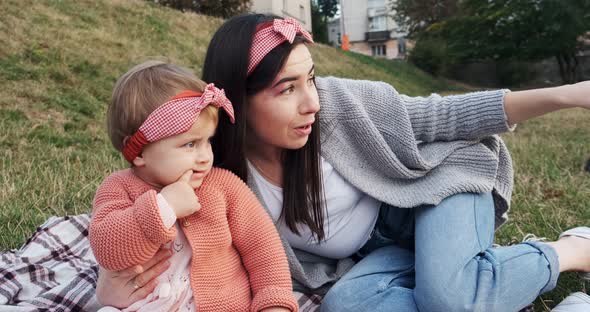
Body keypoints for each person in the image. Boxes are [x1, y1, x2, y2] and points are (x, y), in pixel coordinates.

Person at [95, 15, 590, 312]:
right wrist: (110, 282)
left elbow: (446, 115)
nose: (310, 102)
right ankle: (482, 278)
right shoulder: (217, 171)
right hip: (379, 252)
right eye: (287, 89)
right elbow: (150, 212)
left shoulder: (340, 105)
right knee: (346, 305)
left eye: (310, 78)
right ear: (239, 103)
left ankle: (570, 250)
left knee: (451, 299)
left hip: (438, 185)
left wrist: (567, 95)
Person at [89, 60, 298, 312]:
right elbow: (107, 250)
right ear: (139, 152)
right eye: (190, 144)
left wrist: (274, 303)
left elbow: (263, 248)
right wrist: (163, 207)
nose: (205, 156)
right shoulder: (118, 187)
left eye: (207, 141)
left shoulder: (223, 186)